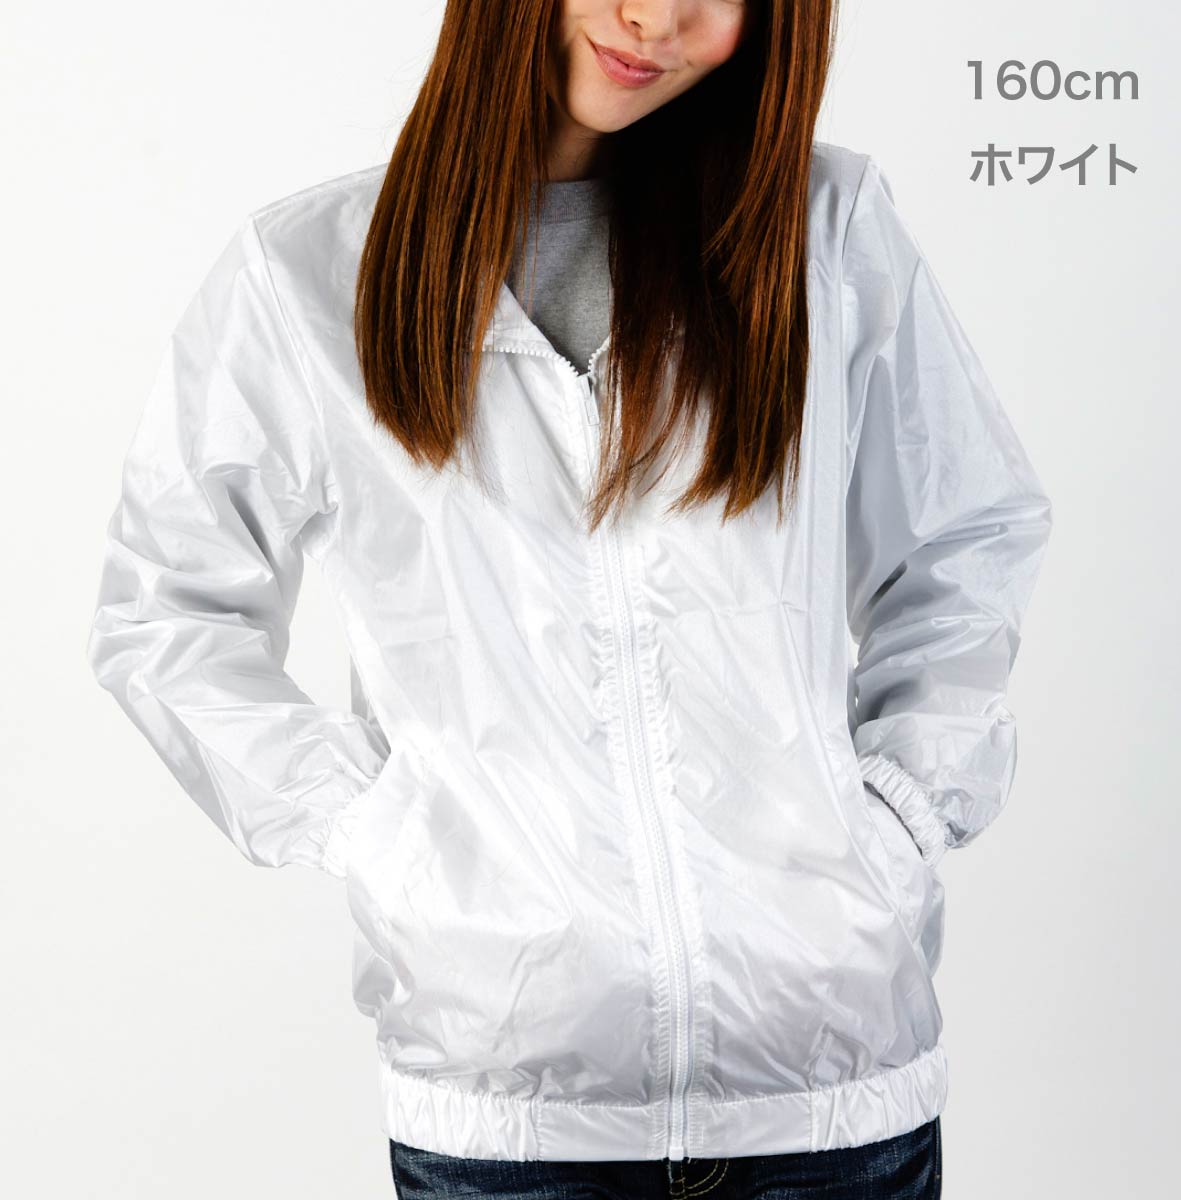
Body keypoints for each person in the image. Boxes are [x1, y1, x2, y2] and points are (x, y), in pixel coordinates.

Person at [85, 1, 1053, 1197]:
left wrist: (897, 817)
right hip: (511, 1116)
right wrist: (386, 836)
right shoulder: (307, 276)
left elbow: (963, 541)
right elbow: (167, 611)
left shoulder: (821, 233)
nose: (657, 17)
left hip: (832, 1098)